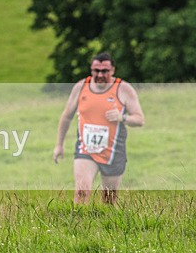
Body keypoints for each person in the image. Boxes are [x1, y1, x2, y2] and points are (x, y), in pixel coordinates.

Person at [53, 52, 144, 204]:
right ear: (91, 70)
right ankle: (78, 225)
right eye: (96, 71)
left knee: (109, 200)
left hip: (113, 151)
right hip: (86, 149)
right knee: (81, 192)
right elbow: (67, 116)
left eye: (105, 71)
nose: (100, 74)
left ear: (112, 70)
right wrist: (59, 145)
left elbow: (140, 119)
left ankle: (105, 226)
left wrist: (122, 117)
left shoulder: (124, 89)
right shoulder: (81, 87)